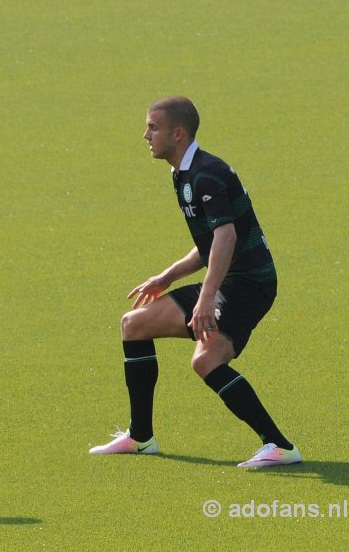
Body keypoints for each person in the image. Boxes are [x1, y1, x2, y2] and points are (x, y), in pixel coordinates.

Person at [89, 96, 301, 468]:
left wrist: (205, 299)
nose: (146, 135)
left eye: (154, 127)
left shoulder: (206, 173)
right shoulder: (184, 173)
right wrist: (166, 277)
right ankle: (141, 438)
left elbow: (227, 238)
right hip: (228, 281)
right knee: (134, 324)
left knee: (205, 360)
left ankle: (279, 445)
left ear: (178, 133)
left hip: (249, 284)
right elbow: (208, 245)